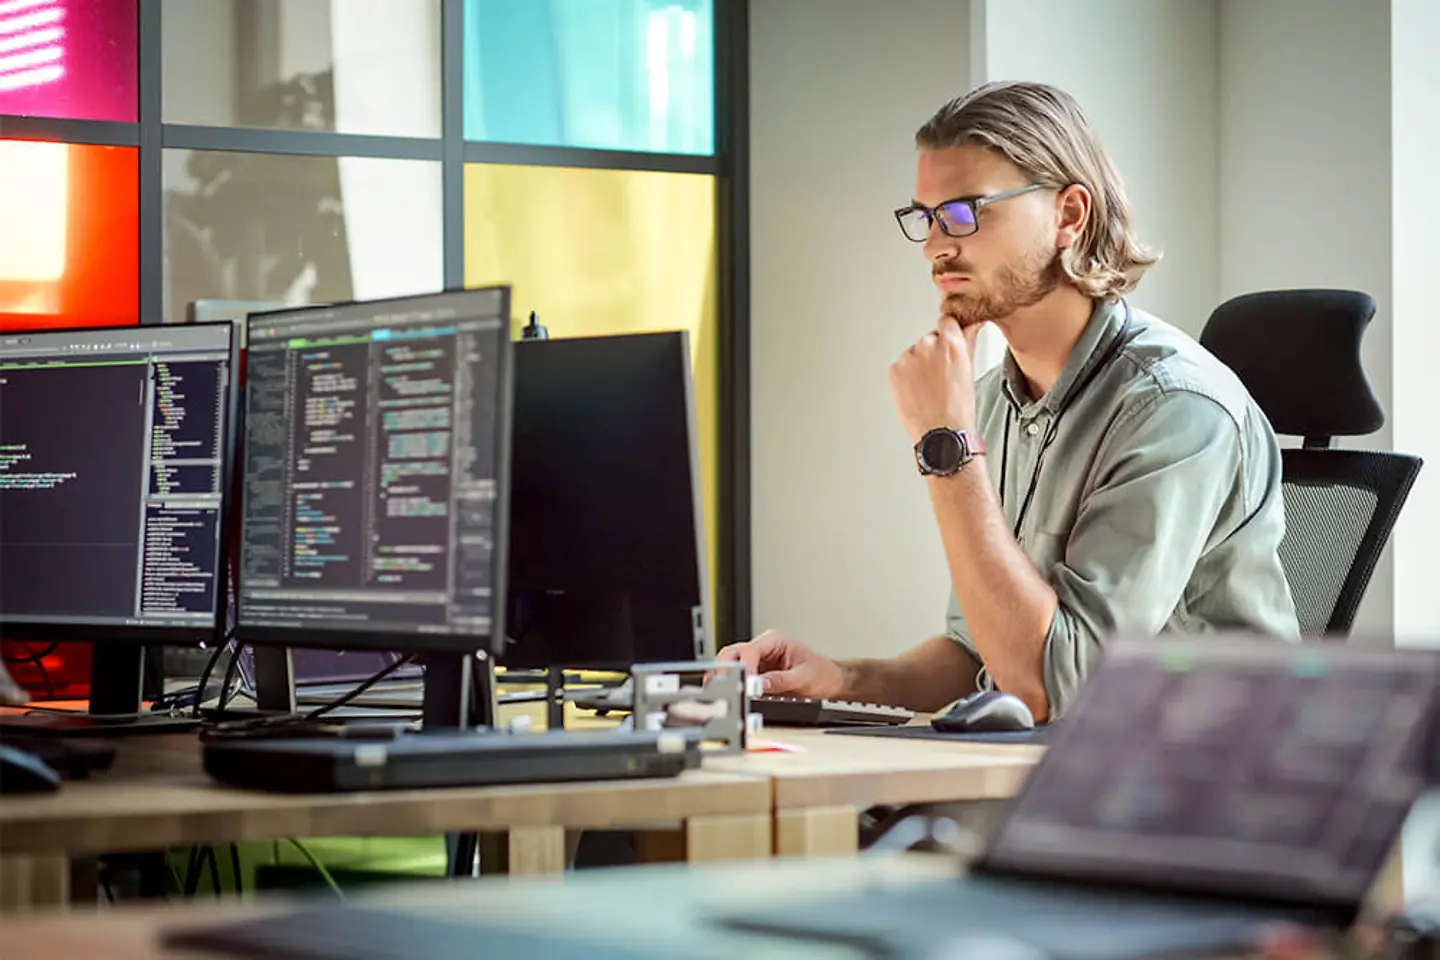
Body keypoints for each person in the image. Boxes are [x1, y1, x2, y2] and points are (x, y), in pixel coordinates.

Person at [720, 81, 1299, 723]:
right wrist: (842, 678)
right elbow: (980, 656)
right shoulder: (993, 402)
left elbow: (1052, 688)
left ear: (1069, 215)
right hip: (1068, 764)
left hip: (1201, 772)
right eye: (926, 217)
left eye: (965, 211)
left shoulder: (1175, 409)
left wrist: (946, 448)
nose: (936, 246)